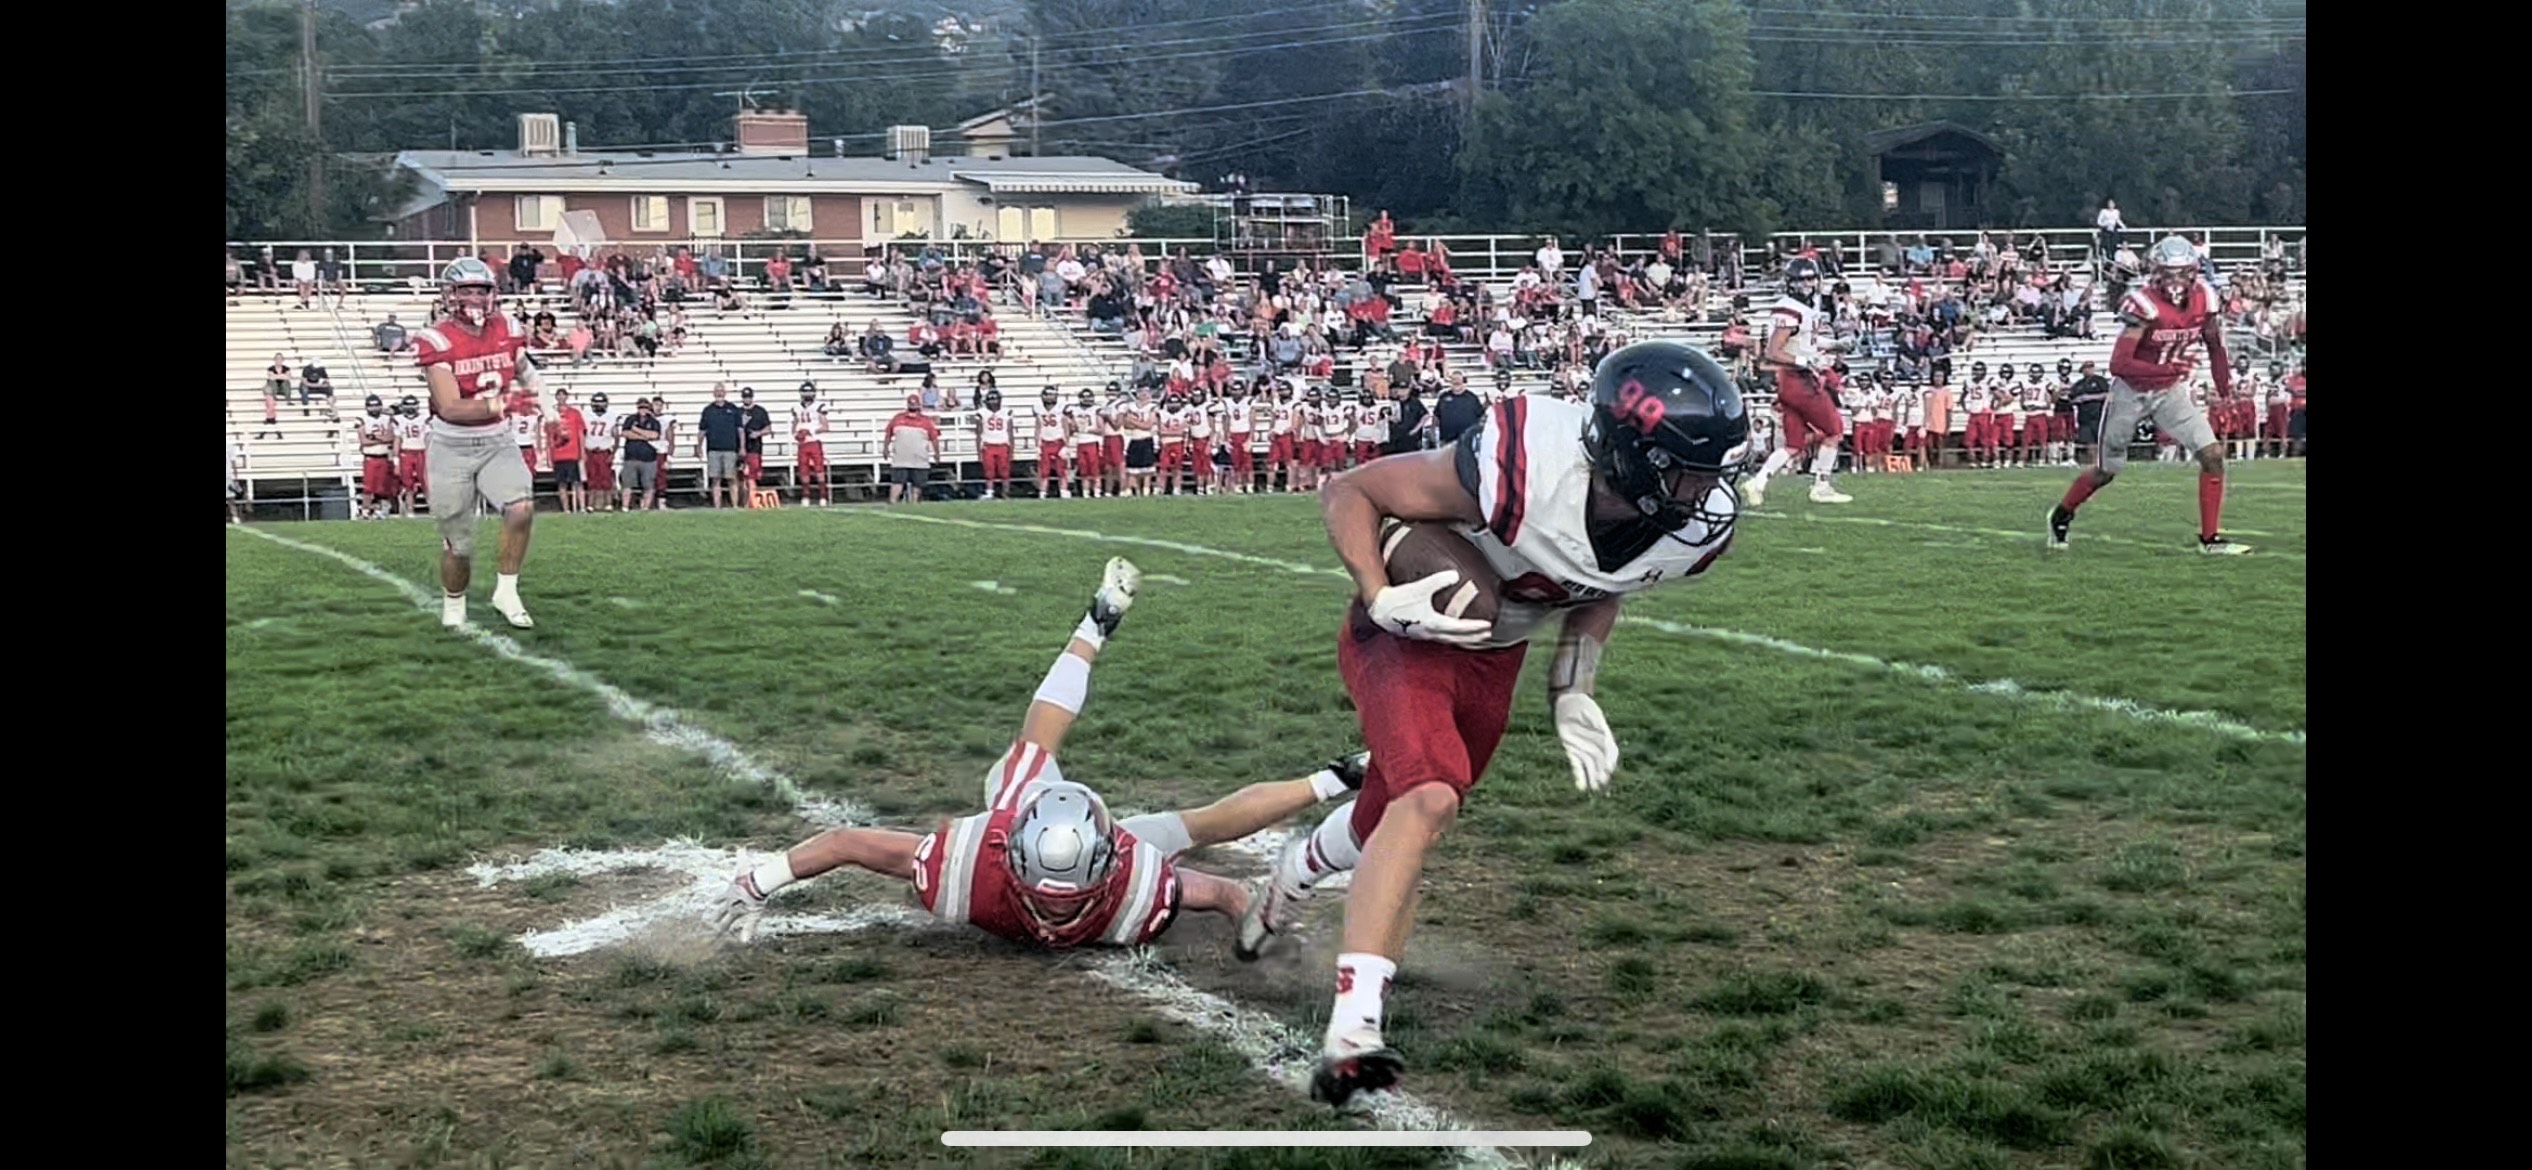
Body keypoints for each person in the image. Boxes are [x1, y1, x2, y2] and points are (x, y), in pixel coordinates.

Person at [1242, 340, 1750, 1107]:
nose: (1707, 489)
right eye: (1690, 468)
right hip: (1409, 627)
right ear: (1635, 457)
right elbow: (1348, 491)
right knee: (1428, 799)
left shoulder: (1687, 531)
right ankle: (1353, 1030)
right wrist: (1379, 595)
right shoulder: (1527, 462)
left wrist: (1573, 687)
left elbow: (1605, 580)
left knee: (1394, 810)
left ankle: (1296, 869)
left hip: (1495, 651)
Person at [709, 558, 1368, 948]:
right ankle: (1097, 622)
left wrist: (1263, 934)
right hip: (1030, 818)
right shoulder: (1128, 891)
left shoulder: (971, 873)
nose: (1056, 909)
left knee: (1163, 813)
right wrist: (1258, 926)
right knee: (1061, 769)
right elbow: (1223, 893)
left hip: (1040, 830)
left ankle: (1342, 776)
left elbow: (847, 843)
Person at [2048, 236, 2251, 555]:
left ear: (2194, 271)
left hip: (2169, 392)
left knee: (2212, 455)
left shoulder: (2206, 298)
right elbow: (2119, 364)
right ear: (2156, 272)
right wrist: (2169, 371)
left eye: (2182, 272)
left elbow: (2215, 345)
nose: (2175, 280)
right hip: (2131, 392)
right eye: (2168, 273)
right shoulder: (2143, 303)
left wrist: (2225, 390)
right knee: (2106, 471)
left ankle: (2209, 540)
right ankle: (2062, 513)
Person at [416, 257, 539, 629]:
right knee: (459, 545)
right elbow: (450, 406)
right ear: (450, 295)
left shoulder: (508, 327)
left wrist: (551, 415)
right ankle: (454, 605)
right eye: (465, 290)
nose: (473, 297)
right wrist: (504, 402)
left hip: (496, 438)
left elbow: (529, 372)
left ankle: (507, 590)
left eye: (480, 290)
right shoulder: (435, 338)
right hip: (451, 446)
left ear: (492, 294)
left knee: (520, 508)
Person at [1739, 258, 1852, 506]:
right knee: (1834, 431)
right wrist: (1804, 361)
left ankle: (1757, 483)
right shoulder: (1789, 309)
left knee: (1793, 444)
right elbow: (1773, 351)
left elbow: (1807, 341)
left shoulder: (1802, 308)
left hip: (1790, 382)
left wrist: (1835, 344)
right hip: (1798, 381)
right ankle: (1821, 486)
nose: (1808, 284)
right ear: (1791, 282)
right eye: (1802, 279)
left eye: (1811, 278)